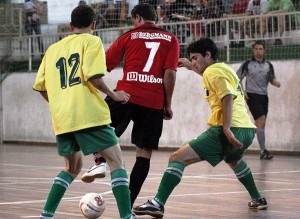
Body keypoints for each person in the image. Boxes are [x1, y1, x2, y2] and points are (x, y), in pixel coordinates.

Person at [133, 37, 268, 218]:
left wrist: (226, 128)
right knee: (234, 161)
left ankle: (158, 203)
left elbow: (227, 97)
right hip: (246, 129)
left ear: (208, 55)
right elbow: (220, 84)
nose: (194, 62)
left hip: (229, 128)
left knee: (177, 158)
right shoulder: (223, 69)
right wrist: (191, 65)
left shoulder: (212, 72)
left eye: (195, 58)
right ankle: (257, 199)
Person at [32, 5, 135, 219]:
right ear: (94, 24)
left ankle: (46, 215)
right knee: (116, 161)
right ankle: (127, 216)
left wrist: (60, 103)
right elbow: (93, 76)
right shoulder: (92, 40)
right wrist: (114, 95)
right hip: (88, 114)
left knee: (71, 167)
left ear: (71, 26)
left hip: (63, 118)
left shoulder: (52, 49)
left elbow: (41, 87)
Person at [81, 3, 180, 208]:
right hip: (153, 100)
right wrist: (167, 103)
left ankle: (99, 162)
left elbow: (102, 66)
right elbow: (170, 73)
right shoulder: (171, 39)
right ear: (155, 19)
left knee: (100, 124)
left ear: (136, 18)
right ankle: (127, 206)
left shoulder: (129, 36)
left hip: (126, 95)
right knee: (144, 153)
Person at [237, 40, 280, 160]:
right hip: (251, 95)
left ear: (264, 50)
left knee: (261, 124)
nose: (258, 51)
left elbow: (271, 79)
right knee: (260, 120)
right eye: (256, 49)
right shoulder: (247, 64)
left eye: (260, 49)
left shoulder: (268, 65)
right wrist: (242, 91)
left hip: (264, 96)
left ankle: (240, 141)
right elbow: (237, 78)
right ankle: (263, 151)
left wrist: (276, 83)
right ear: (253, 50)